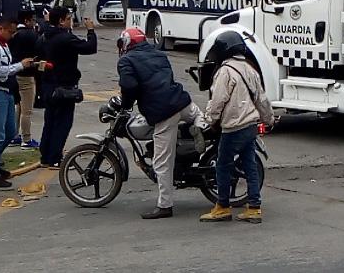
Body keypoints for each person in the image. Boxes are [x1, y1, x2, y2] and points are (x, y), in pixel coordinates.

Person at [116, 27, 206, 220]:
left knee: (162, 162)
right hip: (182, 101)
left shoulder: (126, 61)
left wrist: (126, 104)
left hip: (164, 112)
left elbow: (129, 86)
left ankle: (165, 205)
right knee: (198, 115)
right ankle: (198, 127)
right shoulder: (159, 54)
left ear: (126, 43)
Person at [199, 32, 274, 224]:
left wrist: (208, 120)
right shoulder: (250, 69)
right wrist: (269, 119)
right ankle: (254, 208)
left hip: (234, 127)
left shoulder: (226, 71)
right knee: (250, 165)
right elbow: (261, 99)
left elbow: (217, 101)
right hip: (250, 126)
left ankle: (222, 206)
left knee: (223, 165)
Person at [0, 16, 34, 188]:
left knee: (10, 131)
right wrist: (20, 66)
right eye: (10, 32)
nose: (12, 35)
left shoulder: (3, 44)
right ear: (0, 29)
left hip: (6, 91)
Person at [38, 7, 97, 168]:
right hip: (63, 86)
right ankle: (55, 157)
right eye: (69, 18)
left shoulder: (44, 36)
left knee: (50, 122)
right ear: (61, 21)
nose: (71, 21)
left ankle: (45, 156)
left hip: (48, 85)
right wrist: (90, 30)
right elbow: (89, 47)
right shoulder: (64, 38)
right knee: (62, 123)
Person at [9, 10, 39, 148]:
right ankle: (26, 139)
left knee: (18, 106)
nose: (34, 22)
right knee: (27, 110)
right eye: (32, 20)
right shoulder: (31, 35)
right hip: (27, 74)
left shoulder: (13, 35)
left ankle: (13, 135)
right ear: (26, 21)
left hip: (14, 72)